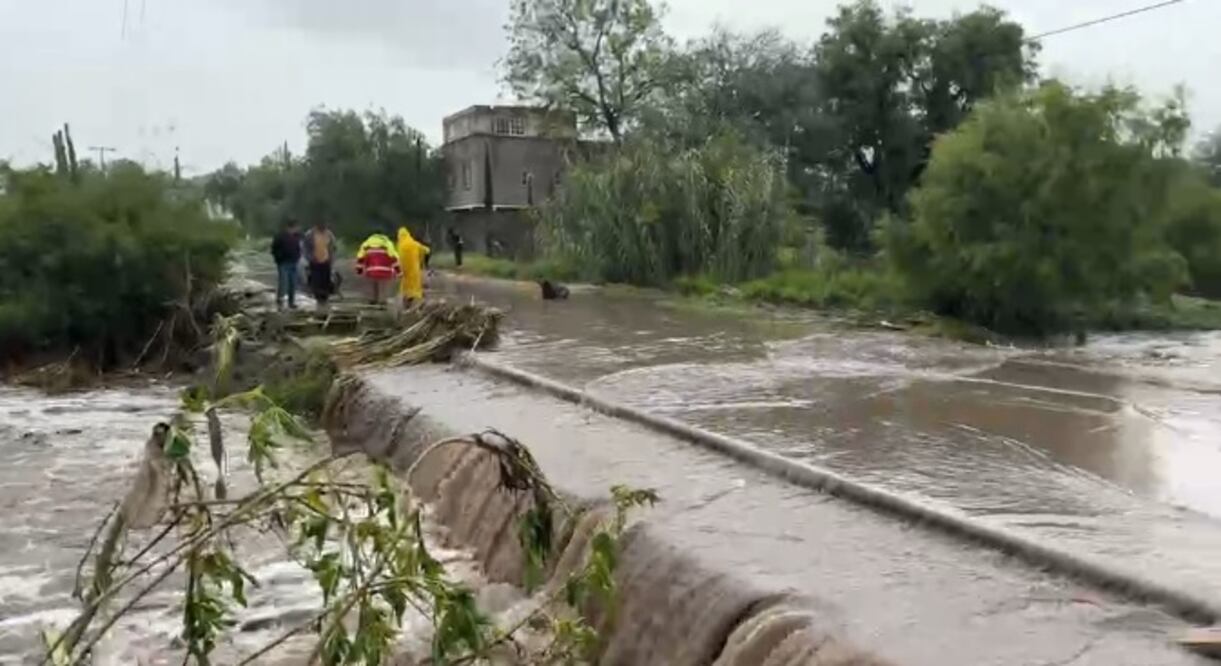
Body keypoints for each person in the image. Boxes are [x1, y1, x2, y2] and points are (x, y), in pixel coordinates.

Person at [354, 232, 401, 305]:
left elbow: (360, 259)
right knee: (383, 289)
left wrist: (359, 271)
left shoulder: (366, 247)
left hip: (370, 272)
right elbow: (394, 260)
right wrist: (398, 272)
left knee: (371, 288)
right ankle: (382, 301)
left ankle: (372, 300)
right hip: (385, 273)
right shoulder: (388, 246)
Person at [302, 221, 337, 309]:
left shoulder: (329, 234)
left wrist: (332, 258)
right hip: (315, 261)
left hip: (326, 260)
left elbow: (333, 247)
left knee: (326, 279)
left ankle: (325, 297)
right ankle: (318, 297)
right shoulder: (310, 234)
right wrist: (309, 258)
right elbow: (305, 247)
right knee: (316, 279)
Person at [269, 219, 301, 309]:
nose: (297, 229)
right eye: (296, 227)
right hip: (283, 263)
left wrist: (298, 257)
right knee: (283, 283)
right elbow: (273, 249)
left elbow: (298, 248)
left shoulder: (296, 236)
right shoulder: (280, 236)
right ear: (291, 227)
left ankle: (291, 302)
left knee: (293, 283)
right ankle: (280, 300)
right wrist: (279, 259)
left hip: (294, 262)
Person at [396, 227, 430, 306]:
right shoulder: (414, 244)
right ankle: (414, 305)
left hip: (404, 271)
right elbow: (427, 250)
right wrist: (421, 258)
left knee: (405, 290)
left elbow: (397, 257)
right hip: (414, 270)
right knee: (415, 289)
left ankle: (406, 306)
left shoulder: (399, 245)